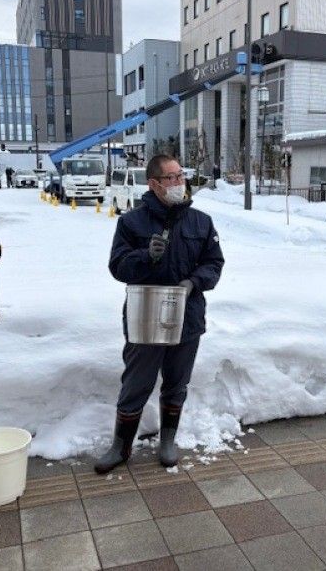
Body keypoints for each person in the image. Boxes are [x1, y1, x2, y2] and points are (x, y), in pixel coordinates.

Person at [96, 154, 225, 474]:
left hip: (187, 316)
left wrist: (194, 282)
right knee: (136, 383)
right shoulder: (131, 223)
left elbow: (214, 263)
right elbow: (117, 266)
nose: (180, 183)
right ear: (154, 184)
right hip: (146, 316)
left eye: (181, 175)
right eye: (172, 178)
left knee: (177, 382)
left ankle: (167, 440)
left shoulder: (201, 222)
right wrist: (144, 256)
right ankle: (121, 446)